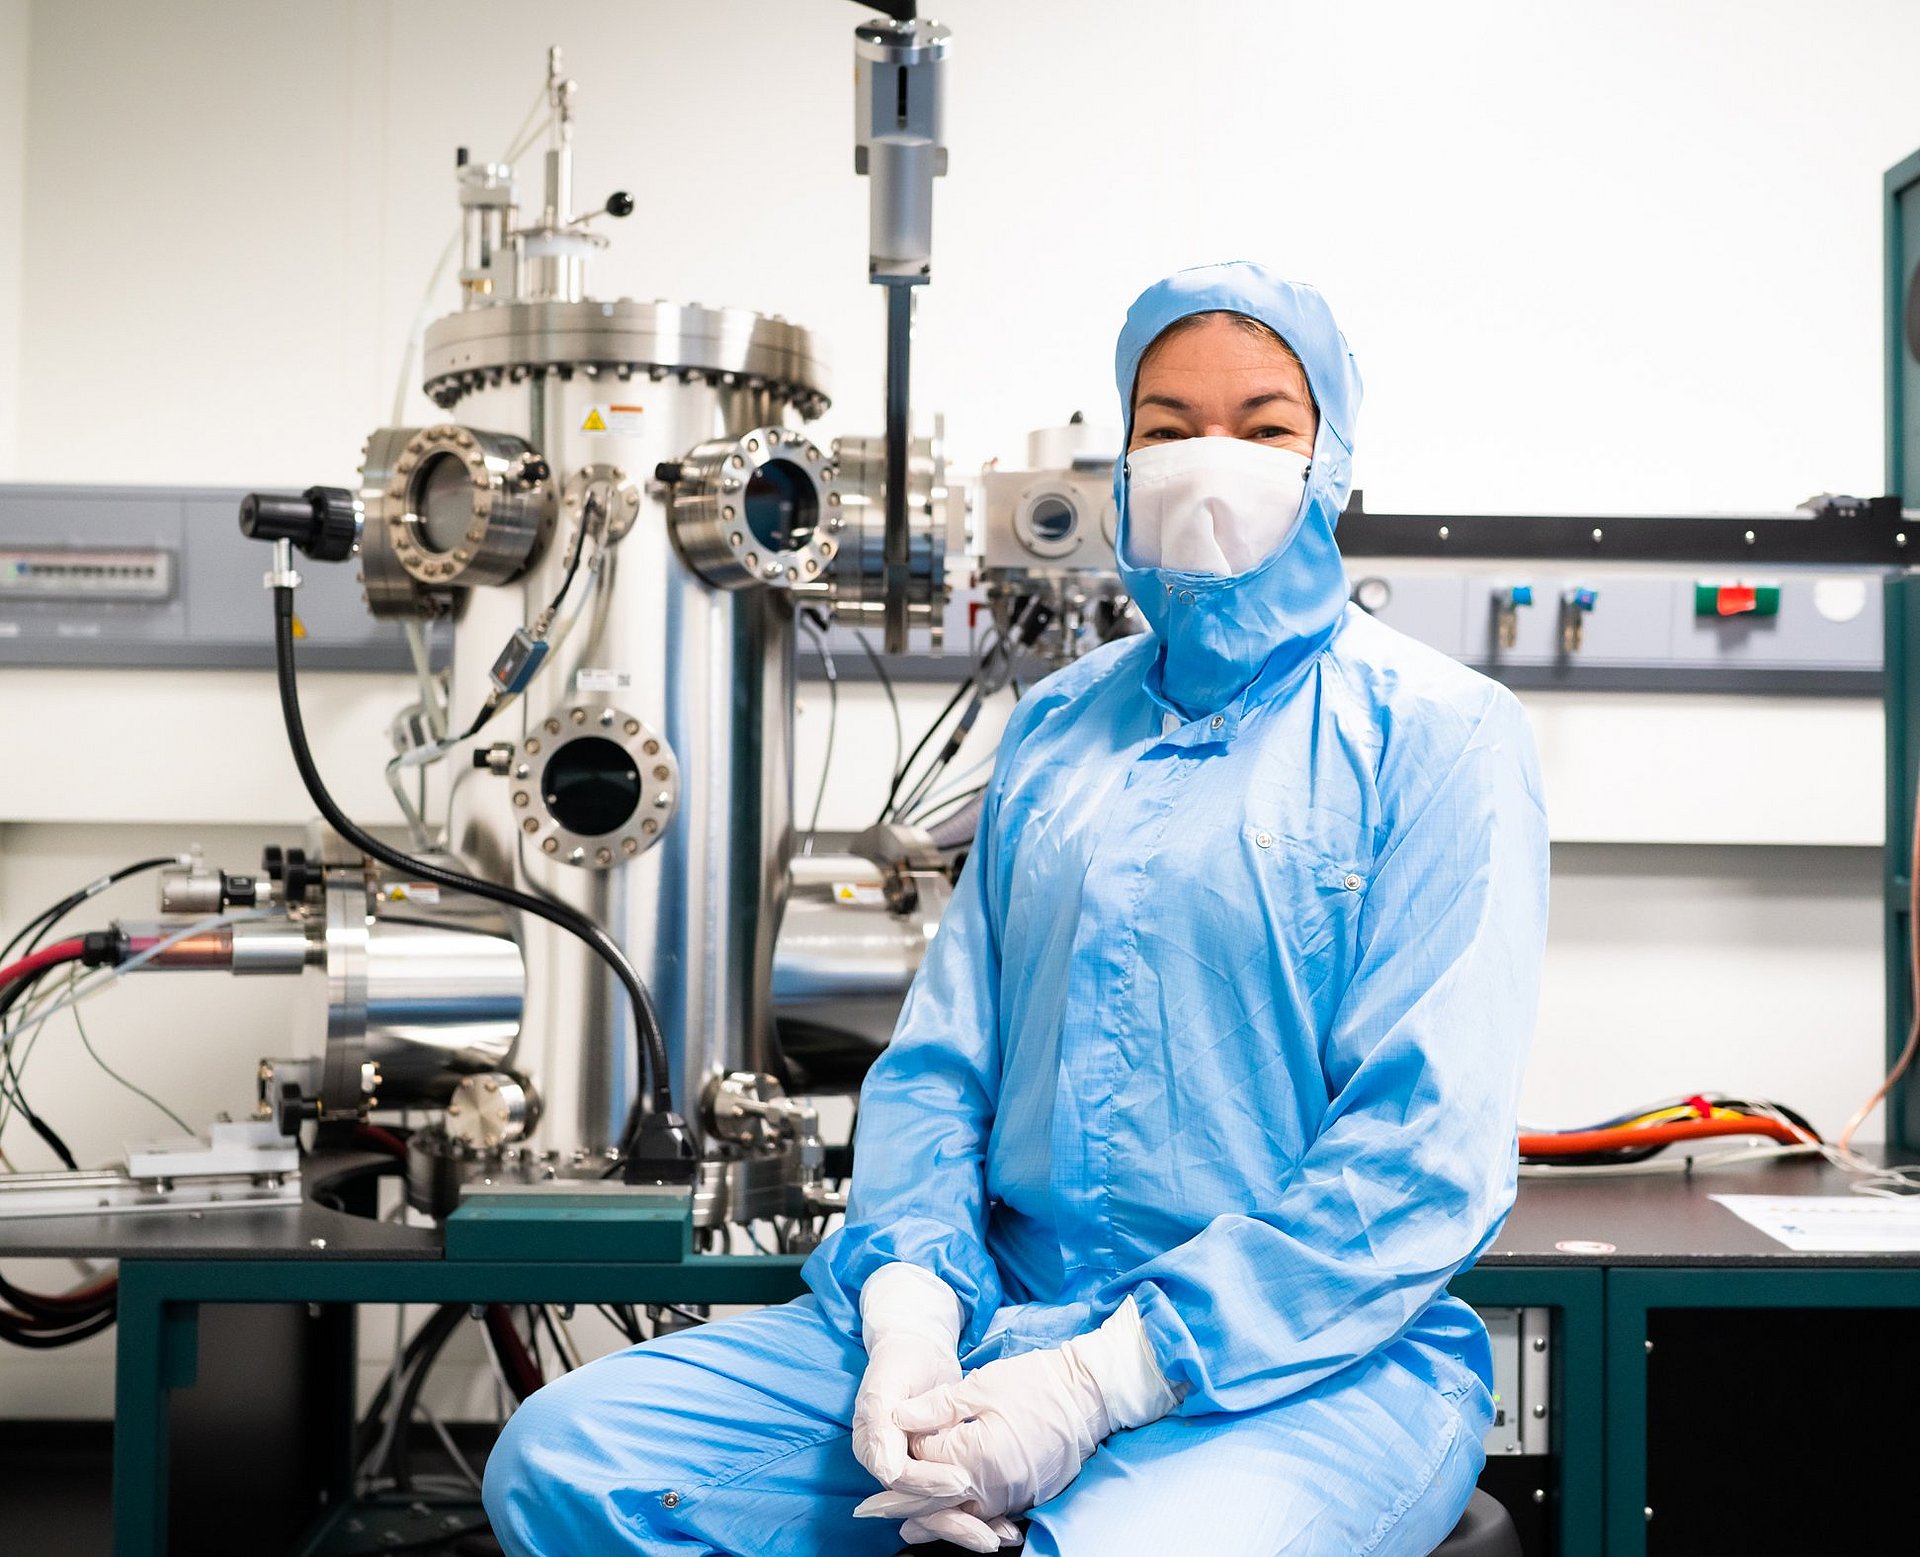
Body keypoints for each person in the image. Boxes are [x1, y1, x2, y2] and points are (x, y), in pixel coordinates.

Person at [483, 261, 1550, 1557]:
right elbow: (942, 1066)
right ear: (1121, 453)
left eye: (1265, 426)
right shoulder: (1057, 726)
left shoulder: (1438, 736)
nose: (1212, 462)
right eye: (1168, 426)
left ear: (1332, 460)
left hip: (1307, 1365)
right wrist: (913, 1304)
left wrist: (1104, 1377)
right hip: (1001, 1315)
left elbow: (1420, 1157)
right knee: (568, 1465)